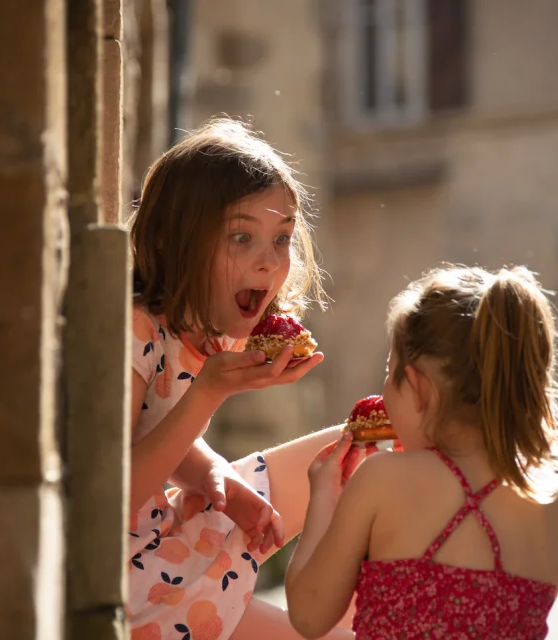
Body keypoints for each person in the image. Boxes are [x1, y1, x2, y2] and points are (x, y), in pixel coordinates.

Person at [127, 117, 357, 640]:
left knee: (361, 454)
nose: (269, 260)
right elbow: (108, 498)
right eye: (241, 236)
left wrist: (221, 480)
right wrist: (211, 390)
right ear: (170, 242)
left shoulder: (208, 327)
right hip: (133, 583)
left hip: (168, 535)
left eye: (282, 238)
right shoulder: (133, 332)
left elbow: (159, 427)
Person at [285, 266, 558, 640]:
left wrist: (323, 501)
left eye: (389, 372)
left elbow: (309, 616)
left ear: (418, 387)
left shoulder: (382, 478)